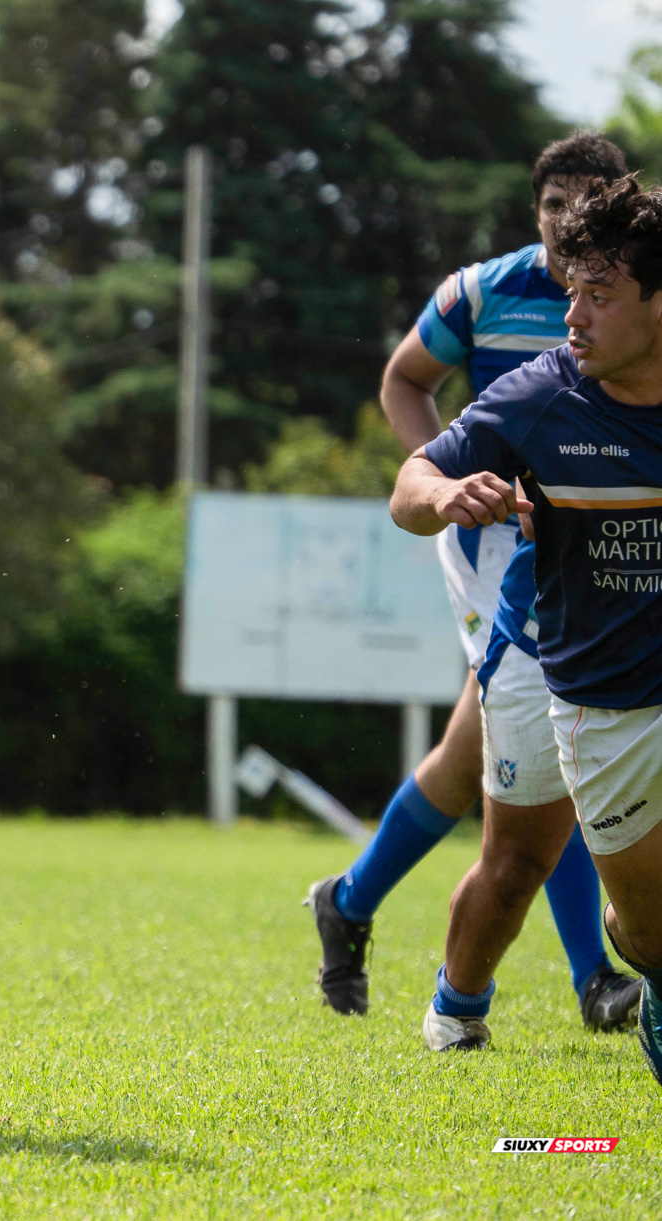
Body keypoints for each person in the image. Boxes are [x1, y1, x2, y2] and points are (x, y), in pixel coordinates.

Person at [306, 132, 642, 1034]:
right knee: (536, 749)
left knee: (475, 762)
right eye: (556, 205)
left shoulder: (643, 286)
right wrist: (452, 483)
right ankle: (593, 977)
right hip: (498, 551)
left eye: (591, 201)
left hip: (579, 546)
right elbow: (405, 382)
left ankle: (350, 896)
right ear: (534, 211)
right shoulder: (484, 295)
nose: (573, 222)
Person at [389, 173, 662, 1075]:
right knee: (526, 869)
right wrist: (446, 492)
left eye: (599, 296)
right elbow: (409, 488)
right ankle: (459, 1005)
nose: (572, 316)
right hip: (589, 690)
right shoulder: (542, 395)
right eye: (570, 292)